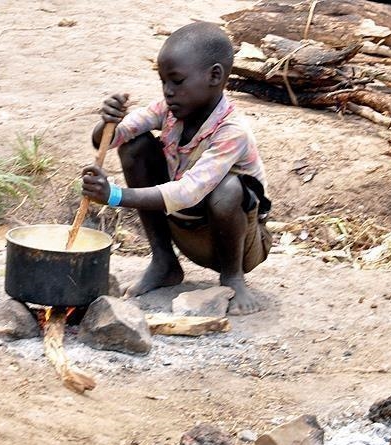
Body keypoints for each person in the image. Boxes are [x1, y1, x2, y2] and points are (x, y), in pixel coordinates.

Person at [82, 22, 271, 315]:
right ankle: (164, 262)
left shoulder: (232, 131)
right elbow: (115, 137)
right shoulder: (168, 110)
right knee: (135, 146)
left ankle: (233, 278)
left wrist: (115, 195)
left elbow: (187, 192)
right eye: (163, 82)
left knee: (228, 189)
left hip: (240, 243)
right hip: (184, 227)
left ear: (215, 76)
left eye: (177, 81)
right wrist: (107, 123)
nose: (168, 92)